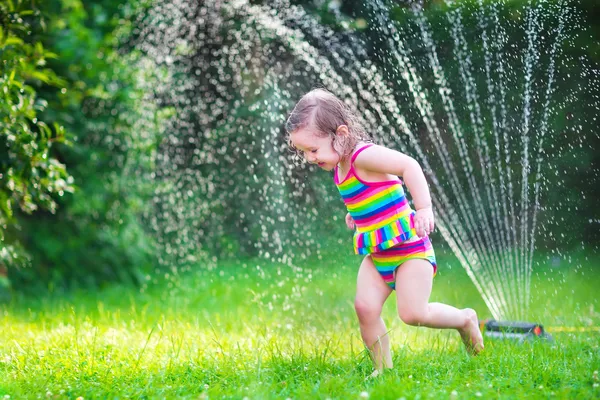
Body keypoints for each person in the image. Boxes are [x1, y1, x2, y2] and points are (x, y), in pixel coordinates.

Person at [286, 88, 484, 376]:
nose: (308, 158)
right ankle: (383, 370)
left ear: (340, 135)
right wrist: (356, 215)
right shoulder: (340, 167)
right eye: (303, 151)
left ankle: (465, 319)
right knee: (365, 308)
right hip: (378, 254)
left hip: (409, 250)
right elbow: (371, 195)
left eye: (312, 150)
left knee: (413, 314)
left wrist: (424, 208)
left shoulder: (362, 156)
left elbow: (408, 165)